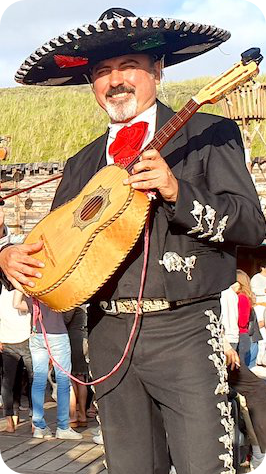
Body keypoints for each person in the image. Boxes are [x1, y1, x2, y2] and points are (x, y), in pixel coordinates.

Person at [0, 7, 266, 474]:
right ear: (91, 86)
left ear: (157, 71)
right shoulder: (82, 162)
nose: (115, 81)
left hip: (184, 331)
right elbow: (54, 243)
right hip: (107, 335)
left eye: (129, 67)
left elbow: (252, 225)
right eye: (102, 72)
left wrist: (177, 191)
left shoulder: (208, 134)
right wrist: (8, 256)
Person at [16, 295, 83, 440]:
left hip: (36, 334)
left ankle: (39, 427)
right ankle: (63, 427)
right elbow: (69, 312)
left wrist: (20, 287)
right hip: (58, 333)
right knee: (63, 381)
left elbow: (17, 304)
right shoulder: (56, 285)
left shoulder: (32, 288)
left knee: (39, 380)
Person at [63, 306, 90, 428]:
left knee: (72, 377)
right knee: (81, 377)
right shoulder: (84, 302)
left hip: (73, 340)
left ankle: (73, 415)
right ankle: (83, 414)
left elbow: (66, 319)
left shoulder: (72, 302)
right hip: (84, 337)